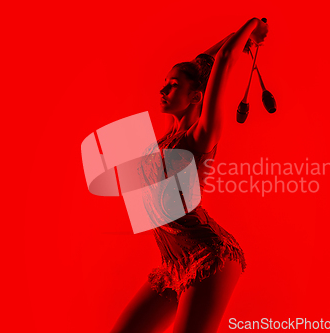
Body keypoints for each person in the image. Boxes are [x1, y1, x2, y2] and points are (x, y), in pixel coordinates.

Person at [110, 17, 269, 333]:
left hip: (210, 256)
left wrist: (251, 27)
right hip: (173, 264)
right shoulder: (165, 139)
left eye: (173, 84)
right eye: (165, 81)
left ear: (197, 97)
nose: (163, 88)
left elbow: (222, 61)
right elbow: (205, 63)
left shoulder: (201, 136)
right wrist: (232, 37)